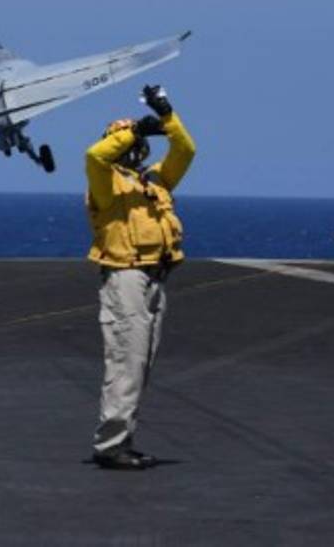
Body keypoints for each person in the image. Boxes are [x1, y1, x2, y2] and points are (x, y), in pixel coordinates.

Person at [85, 84, 195, 470]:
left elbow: (185, 151)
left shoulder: (155, 182)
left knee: (140, 363)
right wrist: (133, 129)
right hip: (126, 278)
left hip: (155, 279)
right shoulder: (104, 184)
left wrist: (166, 115)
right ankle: (111, 445)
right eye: (125, 139)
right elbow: (94, 156)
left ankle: (121, 439)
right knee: (126, 362)